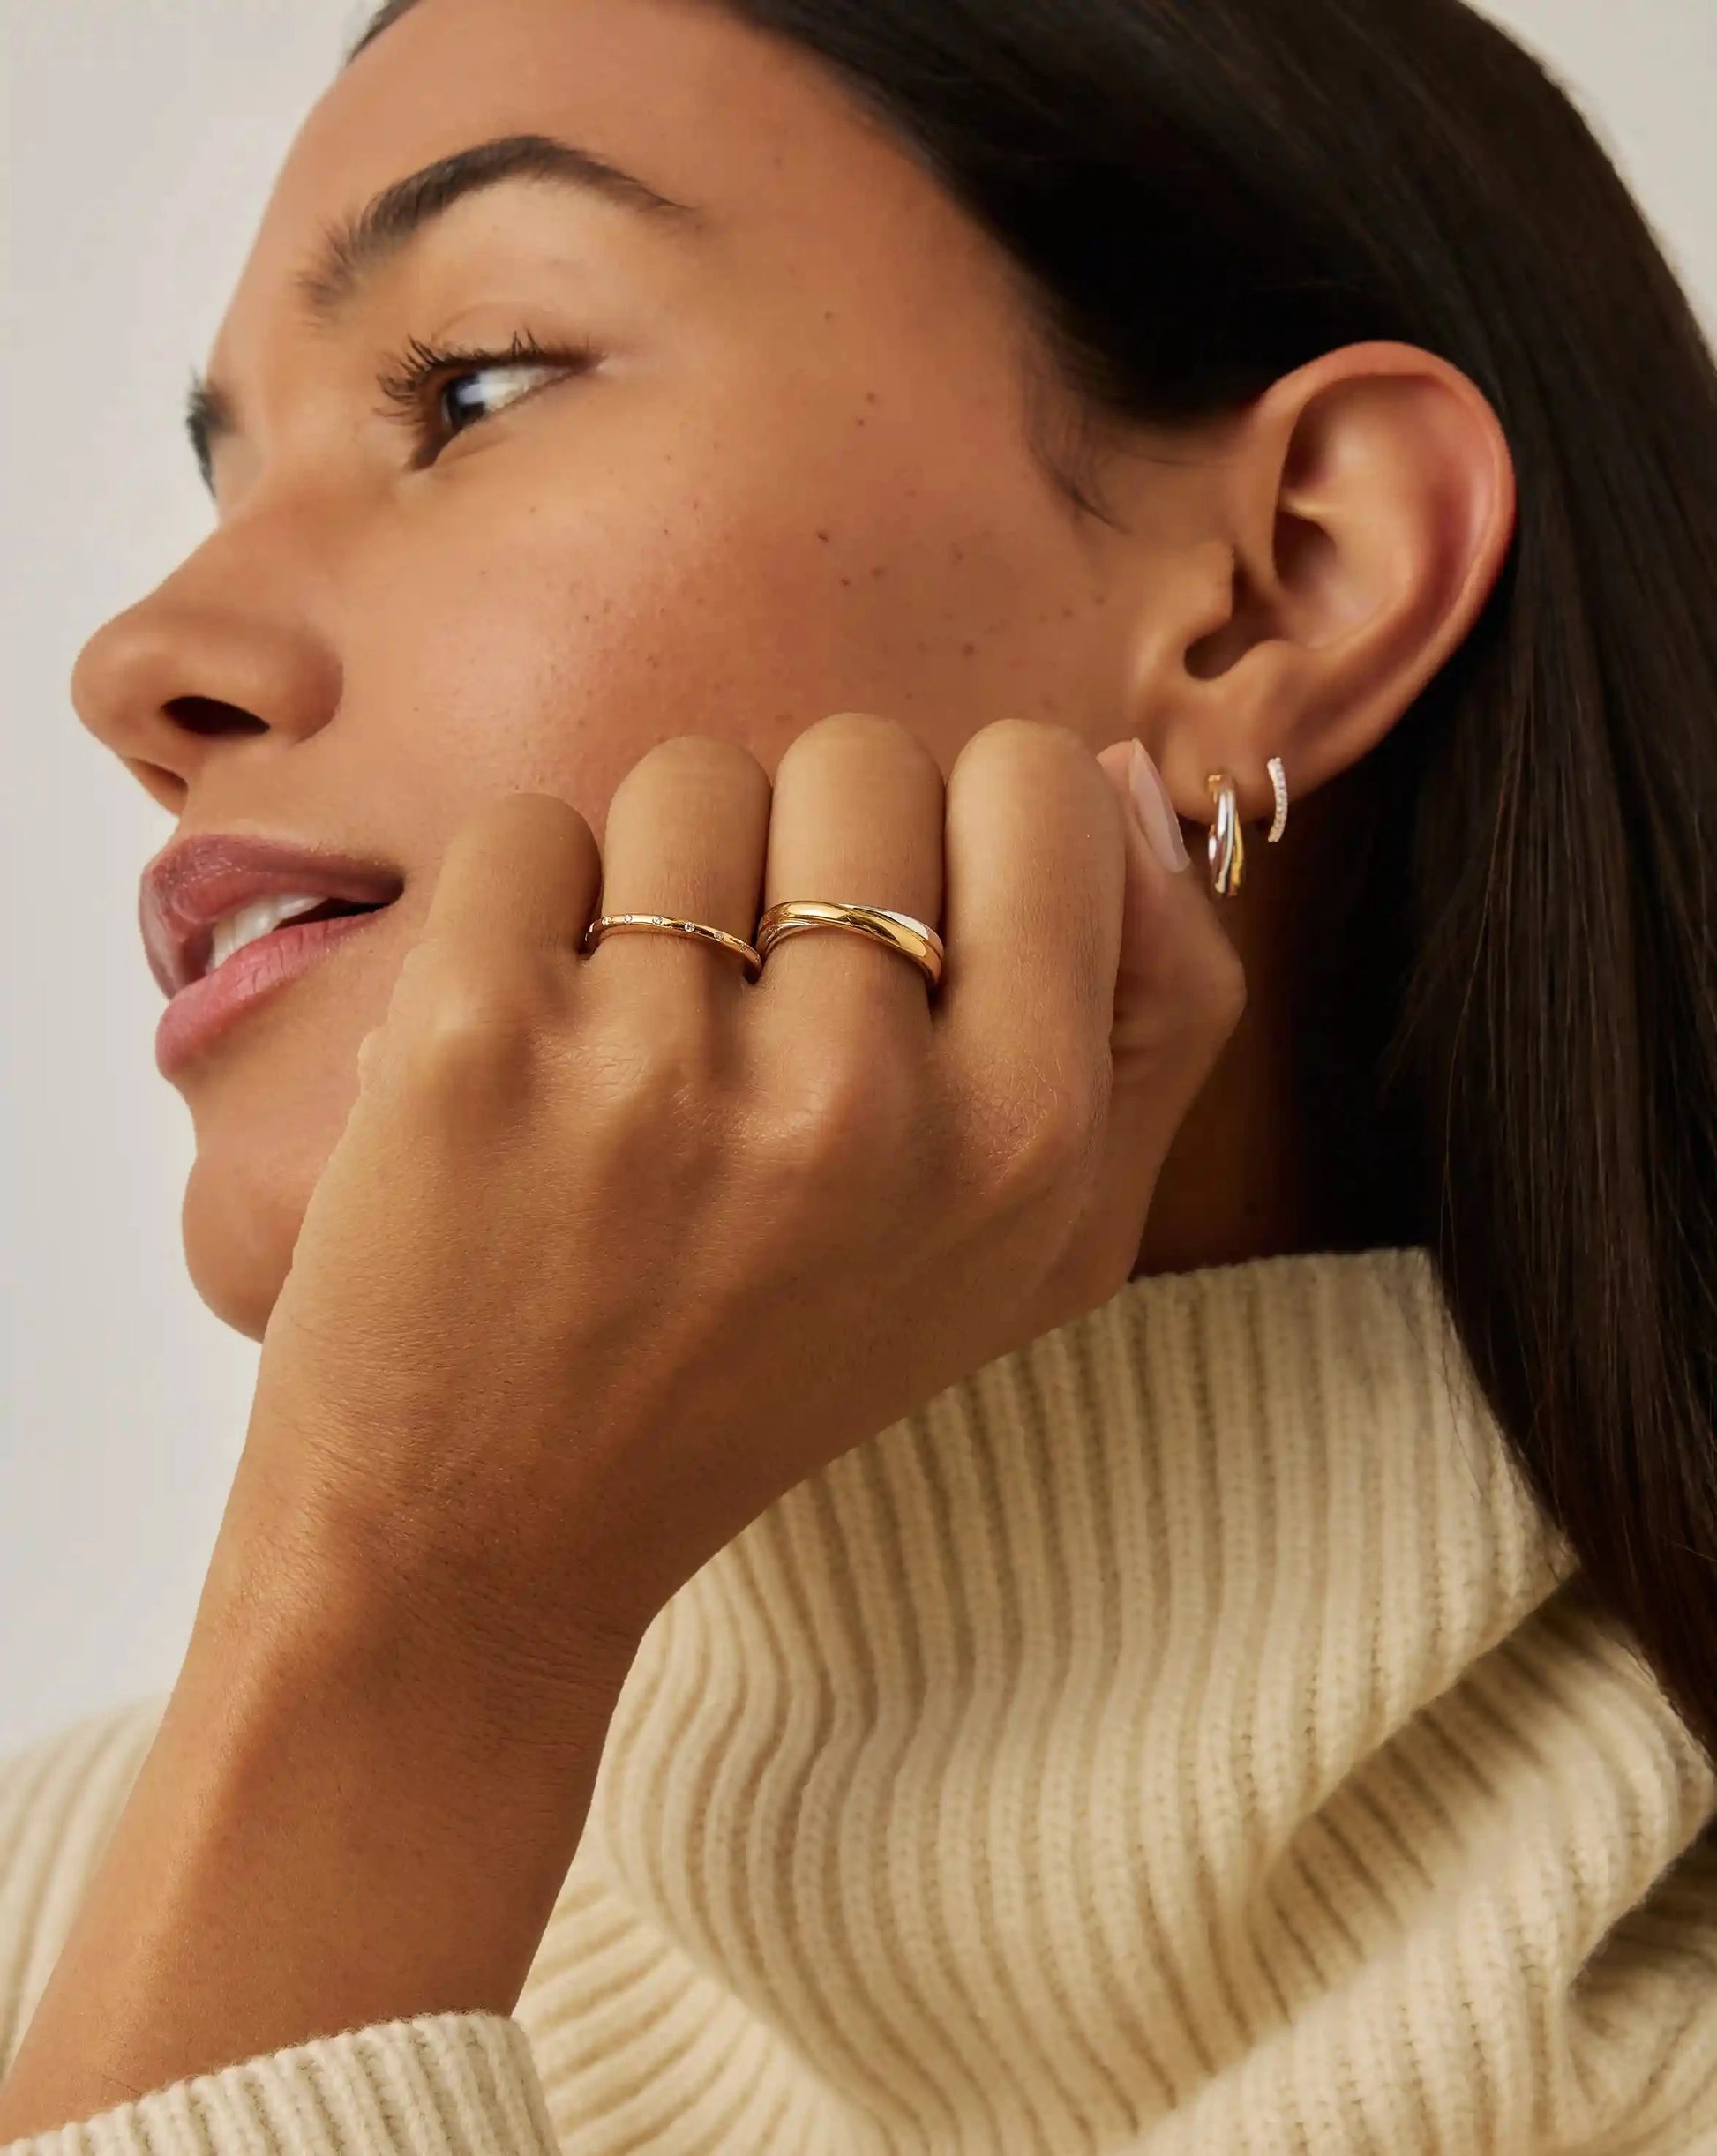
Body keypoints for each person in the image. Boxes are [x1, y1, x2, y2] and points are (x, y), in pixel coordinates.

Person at [3, 0, 1715, 2147]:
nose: (140, 665)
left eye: (475, 388)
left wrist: (421, 1631)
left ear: (1288, 580)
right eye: (225, 475)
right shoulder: (50, 1920)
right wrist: (394, 1658)